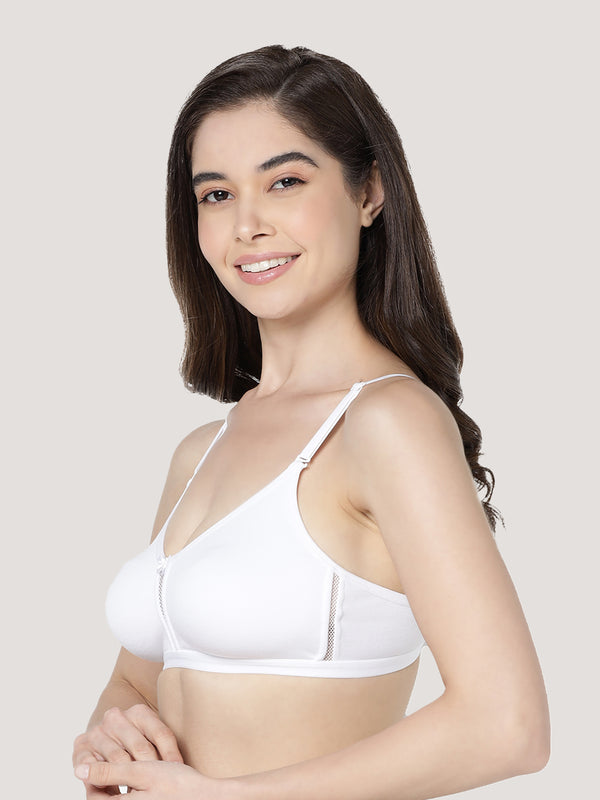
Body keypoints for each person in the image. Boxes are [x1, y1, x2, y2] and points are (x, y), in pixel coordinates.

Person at [72, 45, 550, 799]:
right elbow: (137, 679)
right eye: (216, 195)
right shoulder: (200, 451)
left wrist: (227, 799)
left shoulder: (388, 423)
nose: (247, 224)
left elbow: (508, 726)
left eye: (285, 182)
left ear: (369, 193)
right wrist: (109, 734)